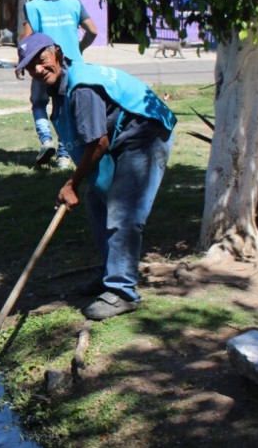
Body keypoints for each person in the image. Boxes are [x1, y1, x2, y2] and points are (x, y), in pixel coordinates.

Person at [16, 33, 176, 320]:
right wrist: (78, 183)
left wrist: (72, 183)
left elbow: (98, 143)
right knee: (97, 201)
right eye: (30, 67)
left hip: (146, 133)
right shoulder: (62, 85)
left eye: (41, 60)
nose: (38, 69)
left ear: (57, 54)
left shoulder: (81, 89)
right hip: (121, 134)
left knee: (123, 210)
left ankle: (122, 291)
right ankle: (109, 273)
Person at [17, 0, 99, 169]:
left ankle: (46, 141)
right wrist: (79, 48)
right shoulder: (74, 3)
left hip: (44, 65)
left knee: (38, 103)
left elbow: (25, 39)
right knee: (66, 109)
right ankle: (64, 156)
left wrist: (22, 62)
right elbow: (93, 31)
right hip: (71, 67)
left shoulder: (34, 6)